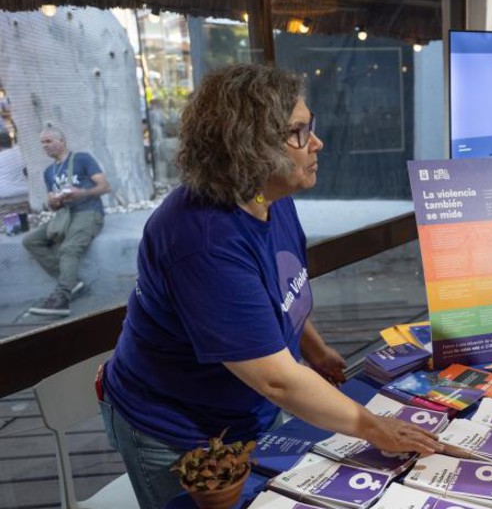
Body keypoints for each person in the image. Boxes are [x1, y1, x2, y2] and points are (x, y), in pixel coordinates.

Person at [99, 64, 442, 509]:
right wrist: (375, 428)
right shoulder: (202, 241)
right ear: (249, 147)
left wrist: (314, 349)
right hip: (177, 425)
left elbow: (280, 291)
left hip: (246, 413)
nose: (316, 143)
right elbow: (278, 381)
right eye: (298, 132)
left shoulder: (268, 197)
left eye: (309, 126)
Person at [23, 126, 108, 316]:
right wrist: (53, 202)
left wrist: (82, 192)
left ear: (61, 141)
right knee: (30, 241)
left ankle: (62, 297)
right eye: (42, 143)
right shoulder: (49, 172)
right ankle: (73, 281)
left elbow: (104, 186)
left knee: (69, 249)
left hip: (88, 211)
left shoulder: (82, 159)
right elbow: (53, 206)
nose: (44, 146)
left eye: (48, 141)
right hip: (65, 215)